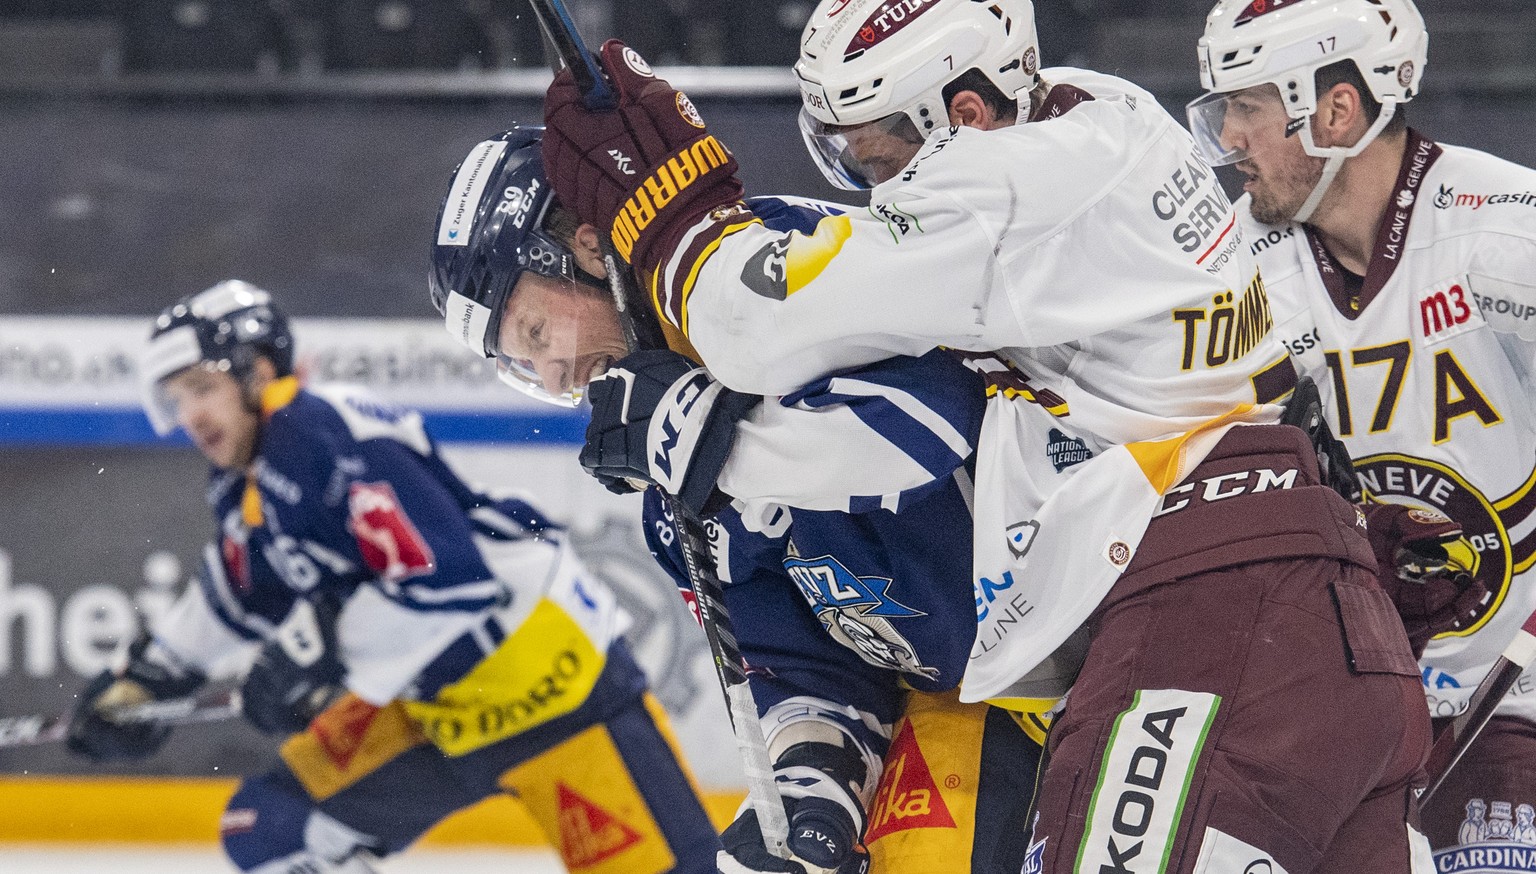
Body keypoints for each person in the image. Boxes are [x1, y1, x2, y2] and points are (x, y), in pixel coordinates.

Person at [535, 0, 1448, 868]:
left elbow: (752, 322)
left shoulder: (1007, 182)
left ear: (965, 113)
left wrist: (669, 203)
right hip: (1318, 619)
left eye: (874, 158)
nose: (870, 192)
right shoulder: (1098, 113)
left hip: (1207, 625)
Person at [429, 127, 1046, 874]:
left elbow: (937, 417)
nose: (557, 378)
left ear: (589, 247)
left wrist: (718, 445)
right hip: (985, 687)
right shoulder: (664, 474)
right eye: (525, 368)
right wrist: (810, 797)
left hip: (1114, 625)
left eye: (535, 331)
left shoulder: (775, 265)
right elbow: (802, 664)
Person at [66, 279, 720, 874]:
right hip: (429, 710)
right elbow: (237, 595)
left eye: (202, 389)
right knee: (271, 829)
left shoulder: (322, 428)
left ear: (259, 371)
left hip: (554, 692)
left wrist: (311, 658)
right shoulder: (246, 480)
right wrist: (145, 680)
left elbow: (449, 583)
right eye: (178, 399)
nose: (192, 418)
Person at [1188, 0, 1536, 866]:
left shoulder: (1503, 233)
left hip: (1518, 688)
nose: (1227, 137)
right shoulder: (1234, 268)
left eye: (1246, 108)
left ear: (1335, 111)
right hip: (1348, 695)